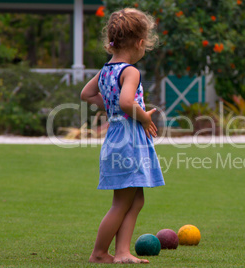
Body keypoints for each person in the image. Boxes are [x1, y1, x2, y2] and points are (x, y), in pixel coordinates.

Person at [80, 8, 164, 264]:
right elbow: (128, 102)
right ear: (140, 43)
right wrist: (145, 117)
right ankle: (99, 253)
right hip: (128, 139)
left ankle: (123, 252)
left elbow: (86, 94)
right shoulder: (130, 71)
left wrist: (113, 108)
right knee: (121, 202)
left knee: (135, 199)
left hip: (117, 137)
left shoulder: (106, 70)